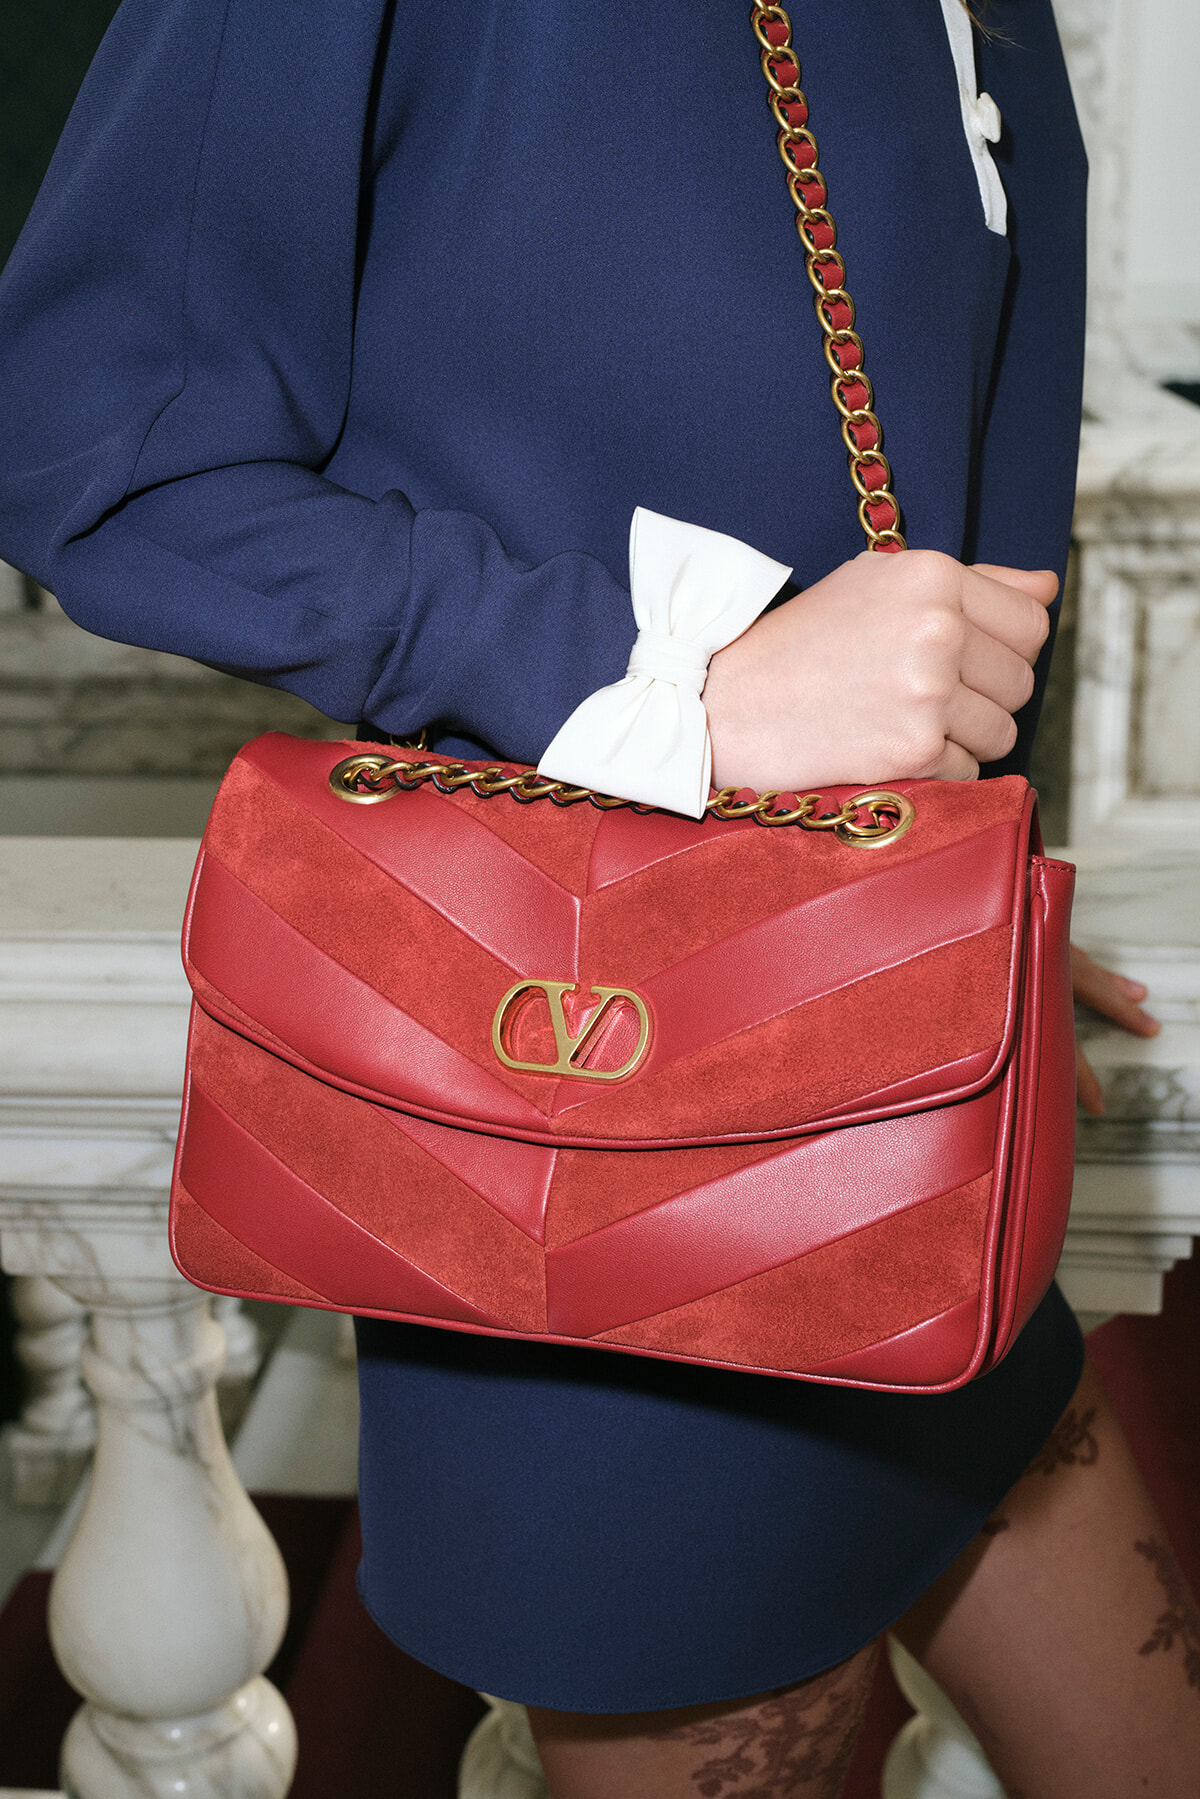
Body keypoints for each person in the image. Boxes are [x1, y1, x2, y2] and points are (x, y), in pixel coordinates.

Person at [0, 2, 1195, 1792]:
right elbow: (87, 443)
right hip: (591, 1164)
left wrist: (971, 909)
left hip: (897, 1127)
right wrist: (663, 682)